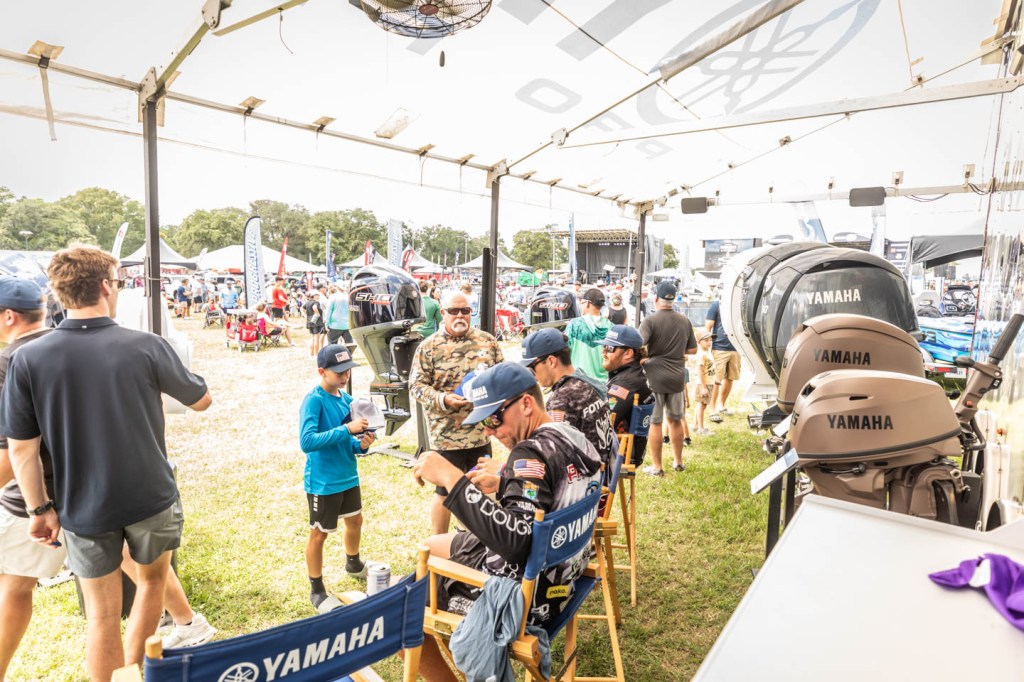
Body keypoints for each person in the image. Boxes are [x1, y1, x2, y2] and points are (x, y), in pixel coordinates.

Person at [0, 246, 212, 681]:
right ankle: (132, 672)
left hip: (82, 506)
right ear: (104, 286)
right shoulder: (146, 345)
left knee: (101, 615)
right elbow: (201, 400)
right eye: (116, 282)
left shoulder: (27, 359)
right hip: (150, 495)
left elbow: (21, 449)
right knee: (151, 584)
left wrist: (40, 510)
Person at [411, 363, 602, 681]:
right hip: (563, 577)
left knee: (406, 605)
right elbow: (550, 496)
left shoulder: (529, 454)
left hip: (530, 596)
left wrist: (451, 478)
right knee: (431, 546)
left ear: (526, 404)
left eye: (493, 419)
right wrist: (505, 485)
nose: (488, 431)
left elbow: (516, 543)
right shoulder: (571, 437)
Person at [0, 277, 64, 680]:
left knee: (15, 585)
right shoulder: (71, 344)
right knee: (132, 570)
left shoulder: (9, 361)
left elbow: (13, 451)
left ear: (9, 316)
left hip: (35, 496)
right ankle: (186, 620)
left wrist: (37, 505)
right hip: (93, 488)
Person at [409, 291, 503, 535]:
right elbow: (416, 386)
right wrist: (443, 399)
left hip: (480, 433)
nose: (460, 315)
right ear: (443, 313)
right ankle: (438, 544)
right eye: (453, 311)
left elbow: (501, 377)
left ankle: (479, 540)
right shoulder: (429, 347)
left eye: (465, 311)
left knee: (481, 487)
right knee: (445, 491)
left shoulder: (488, 342)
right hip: (446, 435)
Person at [299, 344, 376, 610]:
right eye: (339, 372)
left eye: (348, 371)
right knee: (319, 534)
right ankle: (317, 590)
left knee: (355, 520)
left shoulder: (347, 401)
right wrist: (346, 430)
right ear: (322, 371)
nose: (345, 376)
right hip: (323, 482)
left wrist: (362, 444)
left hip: (348, 476)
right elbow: (307, 441)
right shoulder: (314, 400)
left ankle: (353, 564)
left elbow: (350, 443)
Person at [519, 328, 615, 467]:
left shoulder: (562, 399)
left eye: (532, 367)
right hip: (604, 470)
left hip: (586, 476)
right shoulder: (587, 382)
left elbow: (553, 456)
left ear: (551, 361)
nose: (532, 374)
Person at [638, 280, 696, 476]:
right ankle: (678, 462)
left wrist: (648, 357)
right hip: (677, 377)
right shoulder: (684, 321)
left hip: (654, 377)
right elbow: (693, 349)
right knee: (675, 420)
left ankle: (657, 467)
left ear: (656, 299)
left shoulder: (650, 321)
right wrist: (677, 352)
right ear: (674, 299)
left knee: (655, 422)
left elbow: (638, 345)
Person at [598, 324, 654, 466]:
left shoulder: (626, 383)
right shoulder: (629, 374)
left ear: (628, 353)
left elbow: (603, 421)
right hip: (621, 447)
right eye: (603, 346)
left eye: (609, 348)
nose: (603, 351)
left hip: (618, 453)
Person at [704, 297, 742, 422]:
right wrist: (706, 345)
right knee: (716, 380)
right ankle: (712, 409)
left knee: (730, 378)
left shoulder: (739, 304)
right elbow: (708, 326)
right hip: (719, 347)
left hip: (736, 347)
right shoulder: (717, 305)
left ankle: (721, 405)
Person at [565, 288, 612, 382]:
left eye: (581, 303)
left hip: (579, 382)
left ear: (588, 303)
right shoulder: (611, 327)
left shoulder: (574, 325)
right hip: (604, 383)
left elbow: (565, 351)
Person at [692, 328, 716, 436]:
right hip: (704, 384)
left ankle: (695, 425)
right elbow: (700, 371)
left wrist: (716, 379)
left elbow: (710, 368)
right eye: (706, 340)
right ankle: (701, 429)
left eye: (710, 340)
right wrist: (703, 387)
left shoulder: (708, 352)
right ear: (698, 342)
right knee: (702, 406)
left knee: (701, 404)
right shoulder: (701, 355)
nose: (709, 342)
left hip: (709, 383)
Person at [304, 290, 327, 357]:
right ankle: (316, 355)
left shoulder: (307, 302)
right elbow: (314, 307)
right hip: (316, 322)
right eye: (317, 295)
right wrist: (317, 313)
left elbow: (302, 308)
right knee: (316, 338)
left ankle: (311, 354)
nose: (319, 296)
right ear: (314, 295)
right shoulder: (316, 302)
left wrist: (305, 315)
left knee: (312, 338)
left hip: (310, 322)